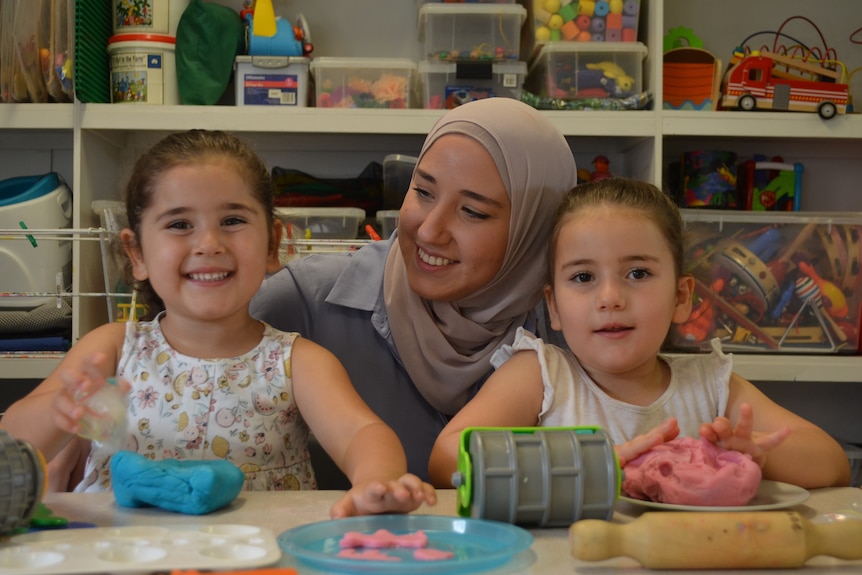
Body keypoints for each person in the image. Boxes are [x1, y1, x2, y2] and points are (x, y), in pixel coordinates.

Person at [0, 130, 436, 518]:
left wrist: (376, 483)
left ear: (273, 244)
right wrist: (58, 414)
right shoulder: (112, 348)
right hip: (119, 558)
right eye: (179, 224)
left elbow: (362, 433)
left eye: (232, 221)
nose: (209, 244)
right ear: (136, 255)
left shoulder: (298, 361)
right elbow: (14, 441)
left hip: (256, 560)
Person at [429, 177, 851, 489]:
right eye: (582, 276)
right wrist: (582, 464)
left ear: (682, 297)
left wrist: (758, 451)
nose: (610, 297)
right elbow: (449, 458)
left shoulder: (710, 386)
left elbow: (832, 464)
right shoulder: (541, 376)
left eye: (638, 273)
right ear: (553, 305)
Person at [250, 98, 579, 482]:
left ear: (533, 231)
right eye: (423, 191)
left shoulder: (569, 330)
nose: (428, 231)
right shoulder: (306, 301)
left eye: (472, 212)